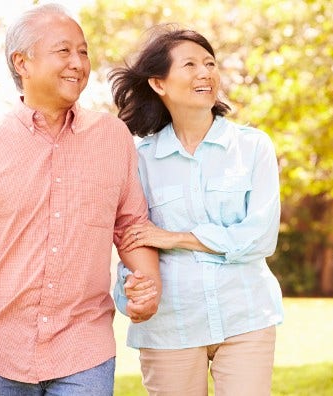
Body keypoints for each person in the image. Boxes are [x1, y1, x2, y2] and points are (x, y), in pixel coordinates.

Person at [0, 4, 161, 395]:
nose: (78, 63)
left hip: (84, 349)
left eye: (83, 51)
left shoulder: (113, 138)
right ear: (23, 63)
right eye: (63, 51)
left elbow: (131, 226)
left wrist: (147, 286)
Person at [108, 25, 284, 395]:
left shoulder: (252, 147)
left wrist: (176, 238)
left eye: (210, 63)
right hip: (170, 325)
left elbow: (260, 236)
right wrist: (133, 297)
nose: (205, 73)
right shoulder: (138, 160)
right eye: (190, 65)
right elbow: (131, 241)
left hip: (245, 317)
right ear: (159, 83)